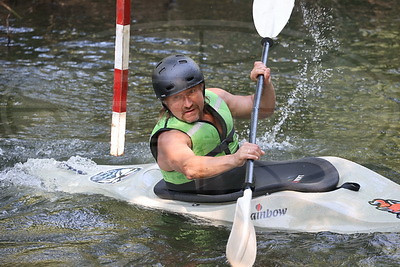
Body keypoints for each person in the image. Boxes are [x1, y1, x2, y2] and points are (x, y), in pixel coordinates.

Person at [150, 54, 275, 194]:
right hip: (202, 197)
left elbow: (264, 110)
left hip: (243, 177)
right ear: (165, 103)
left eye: (191, 92)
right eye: (177, 98)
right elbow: (190, 168)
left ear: (201, 88)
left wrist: (265, 84)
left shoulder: (217, 98)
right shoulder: (169, 138)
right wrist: (235, 158)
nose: (188, 104)